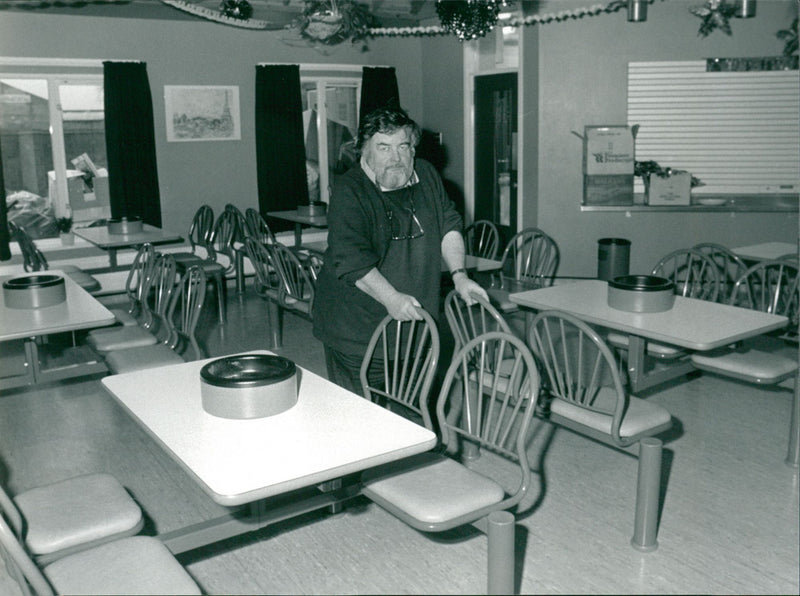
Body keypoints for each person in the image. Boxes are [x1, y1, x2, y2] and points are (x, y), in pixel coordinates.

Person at [312, 106, 488, 394]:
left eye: (403, 146)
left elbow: (449, 226)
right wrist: (391, 298)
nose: (395, 158)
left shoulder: (427, 175)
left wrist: (459, 276)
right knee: (363, 420)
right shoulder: (350, 190)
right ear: (363, 151)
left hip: (416, 328)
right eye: (383, 147)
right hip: (355, 330)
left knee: (416, 417)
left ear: (413, 149)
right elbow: (353, 261)